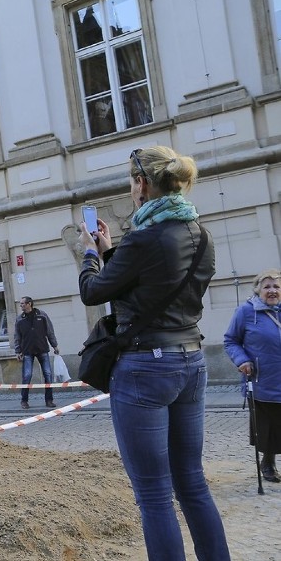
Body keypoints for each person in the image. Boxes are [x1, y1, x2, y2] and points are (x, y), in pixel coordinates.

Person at [78, 146, 230, 560]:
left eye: (131, 182)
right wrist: (113, 251)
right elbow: (153, 286)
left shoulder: (144, 238)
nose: (131, 189)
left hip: (145, 368)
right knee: (193, 483)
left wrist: (91, 253)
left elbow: (94, 290)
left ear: (141, 185)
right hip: (191, 360)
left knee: (154, 495)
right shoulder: (202, 235)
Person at [223, 269, 281, 483]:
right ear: (258, 290)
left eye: (276, 286)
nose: (272, 290)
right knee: (269, 426)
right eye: (267, 286)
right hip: (262, 380)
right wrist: (242, 360)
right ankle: (268, 462)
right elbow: (231, 340)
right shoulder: (246, 312)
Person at [13, 297, 59, 409]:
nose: (21, 306)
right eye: (21, 304)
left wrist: (55, 345)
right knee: (27, 375)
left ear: (29, 304)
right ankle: (24, 400)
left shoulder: (41, 315)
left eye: (23, 304)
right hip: (27, 350)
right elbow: (17, 336)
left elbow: (49, 331)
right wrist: (18, 350)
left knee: (48, 374)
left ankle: (49, 400)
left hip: (42, 348)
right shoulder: (20, 319)